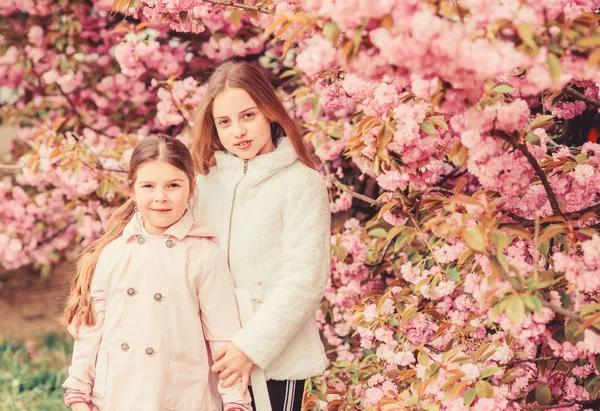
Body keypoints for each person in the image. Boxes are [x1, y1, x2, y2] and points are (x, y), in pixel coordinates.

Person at [61, 135, 252, 411]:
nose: (161, 197)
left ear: (191, 188)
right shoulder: (113, 253)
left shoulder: (204, 254)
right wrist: (78, 393)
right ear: (133, 190)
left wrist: (235, 401)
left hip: (179, 397)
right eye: (148, 186)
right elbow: (92, 332)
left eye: (173, 185)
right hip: (115, 395)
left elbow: (223, 336)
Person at [190, 59, 331, 411]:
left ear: (269, 112)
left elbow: (304, 279)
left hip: (273, 358)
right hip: (209, 353)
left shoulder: (300, 183)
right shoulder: (203, 184)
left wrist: (251, 347)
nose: (238, 131)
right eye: (225, 122)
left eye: (248, 115)